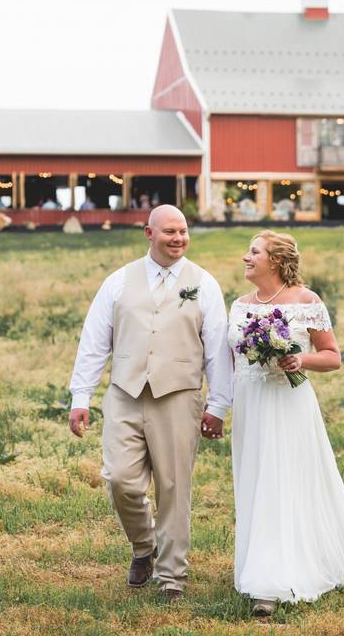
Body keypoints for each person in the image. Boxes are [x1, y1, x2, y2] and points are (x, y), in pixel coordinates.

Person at [68, 205, 232, 600]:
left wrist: (218, 405)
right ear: (149, 234)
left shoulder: (204, 283)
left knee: (174, 488)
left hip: (179, 397)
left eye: (184, 231)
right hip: (125, 394)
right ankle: (144, 546)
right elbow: (94, 341)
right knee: (119, 479)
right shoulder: (118, 282)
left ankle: (172, 576)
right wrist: (81, 396)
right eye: (169, 232)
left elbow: (217, 351)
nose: (178, 239)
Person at [229, 230, 344, 617]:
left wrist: (299, 360)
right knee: (256, 481)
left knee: (283, 481)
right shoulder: (239, 305)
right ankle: (260, 561)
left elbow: (333, 356)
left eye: (253, 252)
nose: (245, 258)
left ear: (275, 260)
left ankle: (270, 582)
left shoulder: (308, 302)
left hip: (289, 402)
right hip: (251, 404)